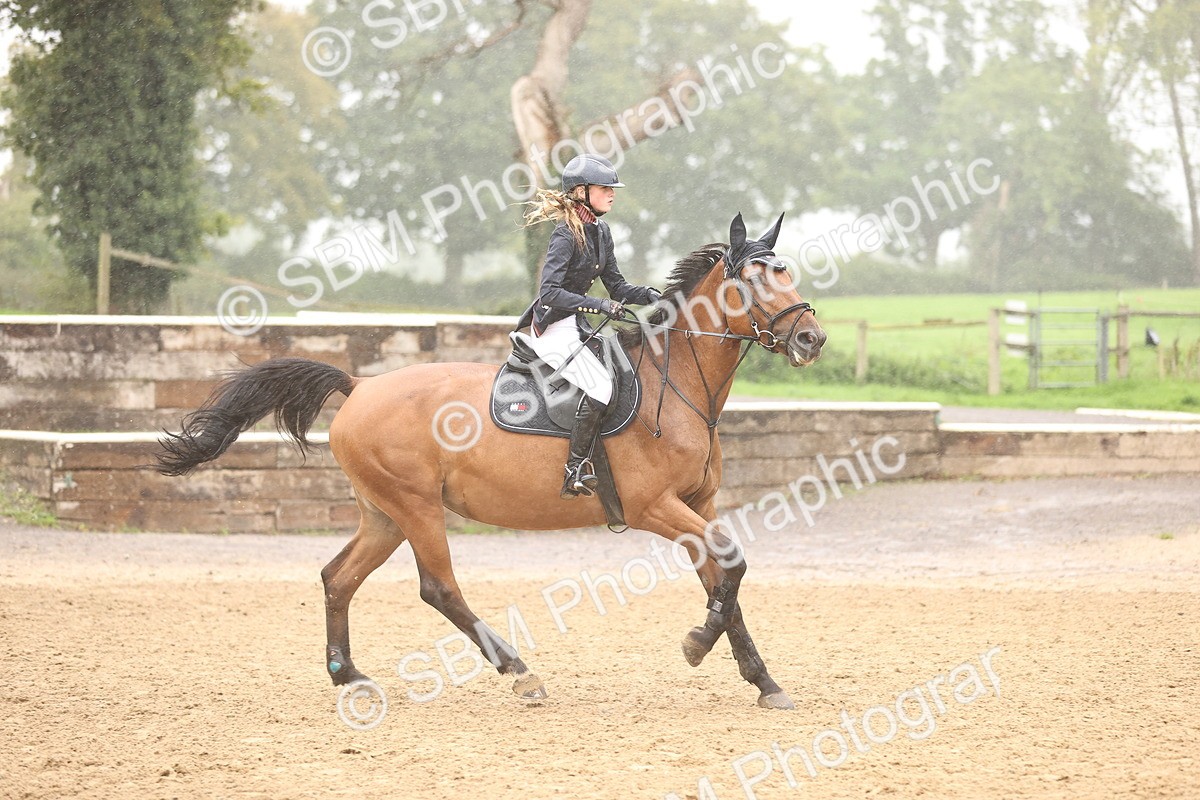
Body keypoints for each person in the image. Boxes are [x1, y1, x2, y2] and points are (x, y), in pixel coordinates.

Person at [517, 153, 661, 500]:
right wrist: (599, 305)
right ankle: (575, 468)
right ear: (582, 192)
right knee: (599, 388)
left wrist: (654, 295)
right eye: (605, 188)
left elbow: (618, 287)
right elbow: (549, 292)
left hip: (577, 326)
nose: (612, 193)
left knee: (624, 373)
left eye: (612, 188)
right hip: (553, 328)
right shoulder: (566, 235)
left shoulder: (600, 231)